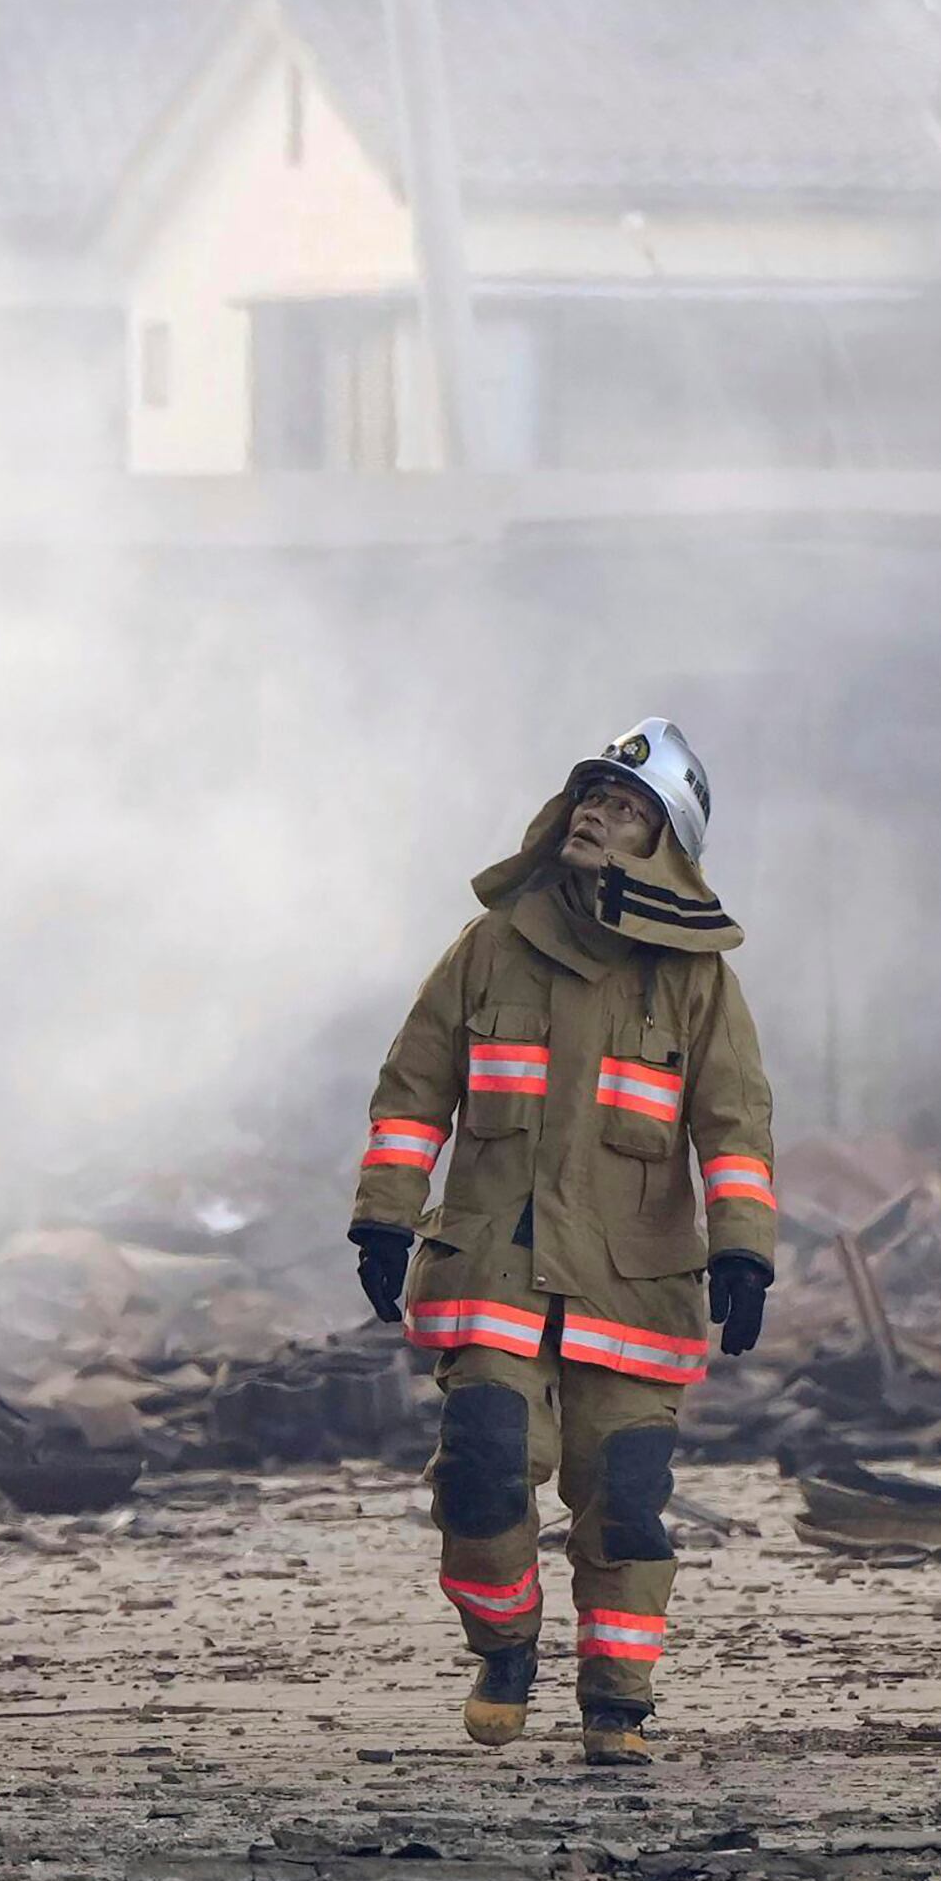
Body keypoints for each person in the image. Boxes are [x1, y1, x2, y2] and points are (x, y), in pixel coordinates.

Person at [349, 720, 775, 1765]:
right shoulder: (491, 946)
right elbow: (414, 1092)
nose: (594, 813)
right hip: (494, 1268)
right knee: (484, 1470)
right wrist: (384, 1213)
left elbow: (734, 1126)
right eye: (590, 795)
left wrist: (744, 1248)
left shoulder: (697, 982)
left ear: (662, 844)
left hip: (632, 1289)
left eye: (624, 807)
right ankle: (504, 1649)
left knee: (624, 1503)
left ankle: (616, 1704)